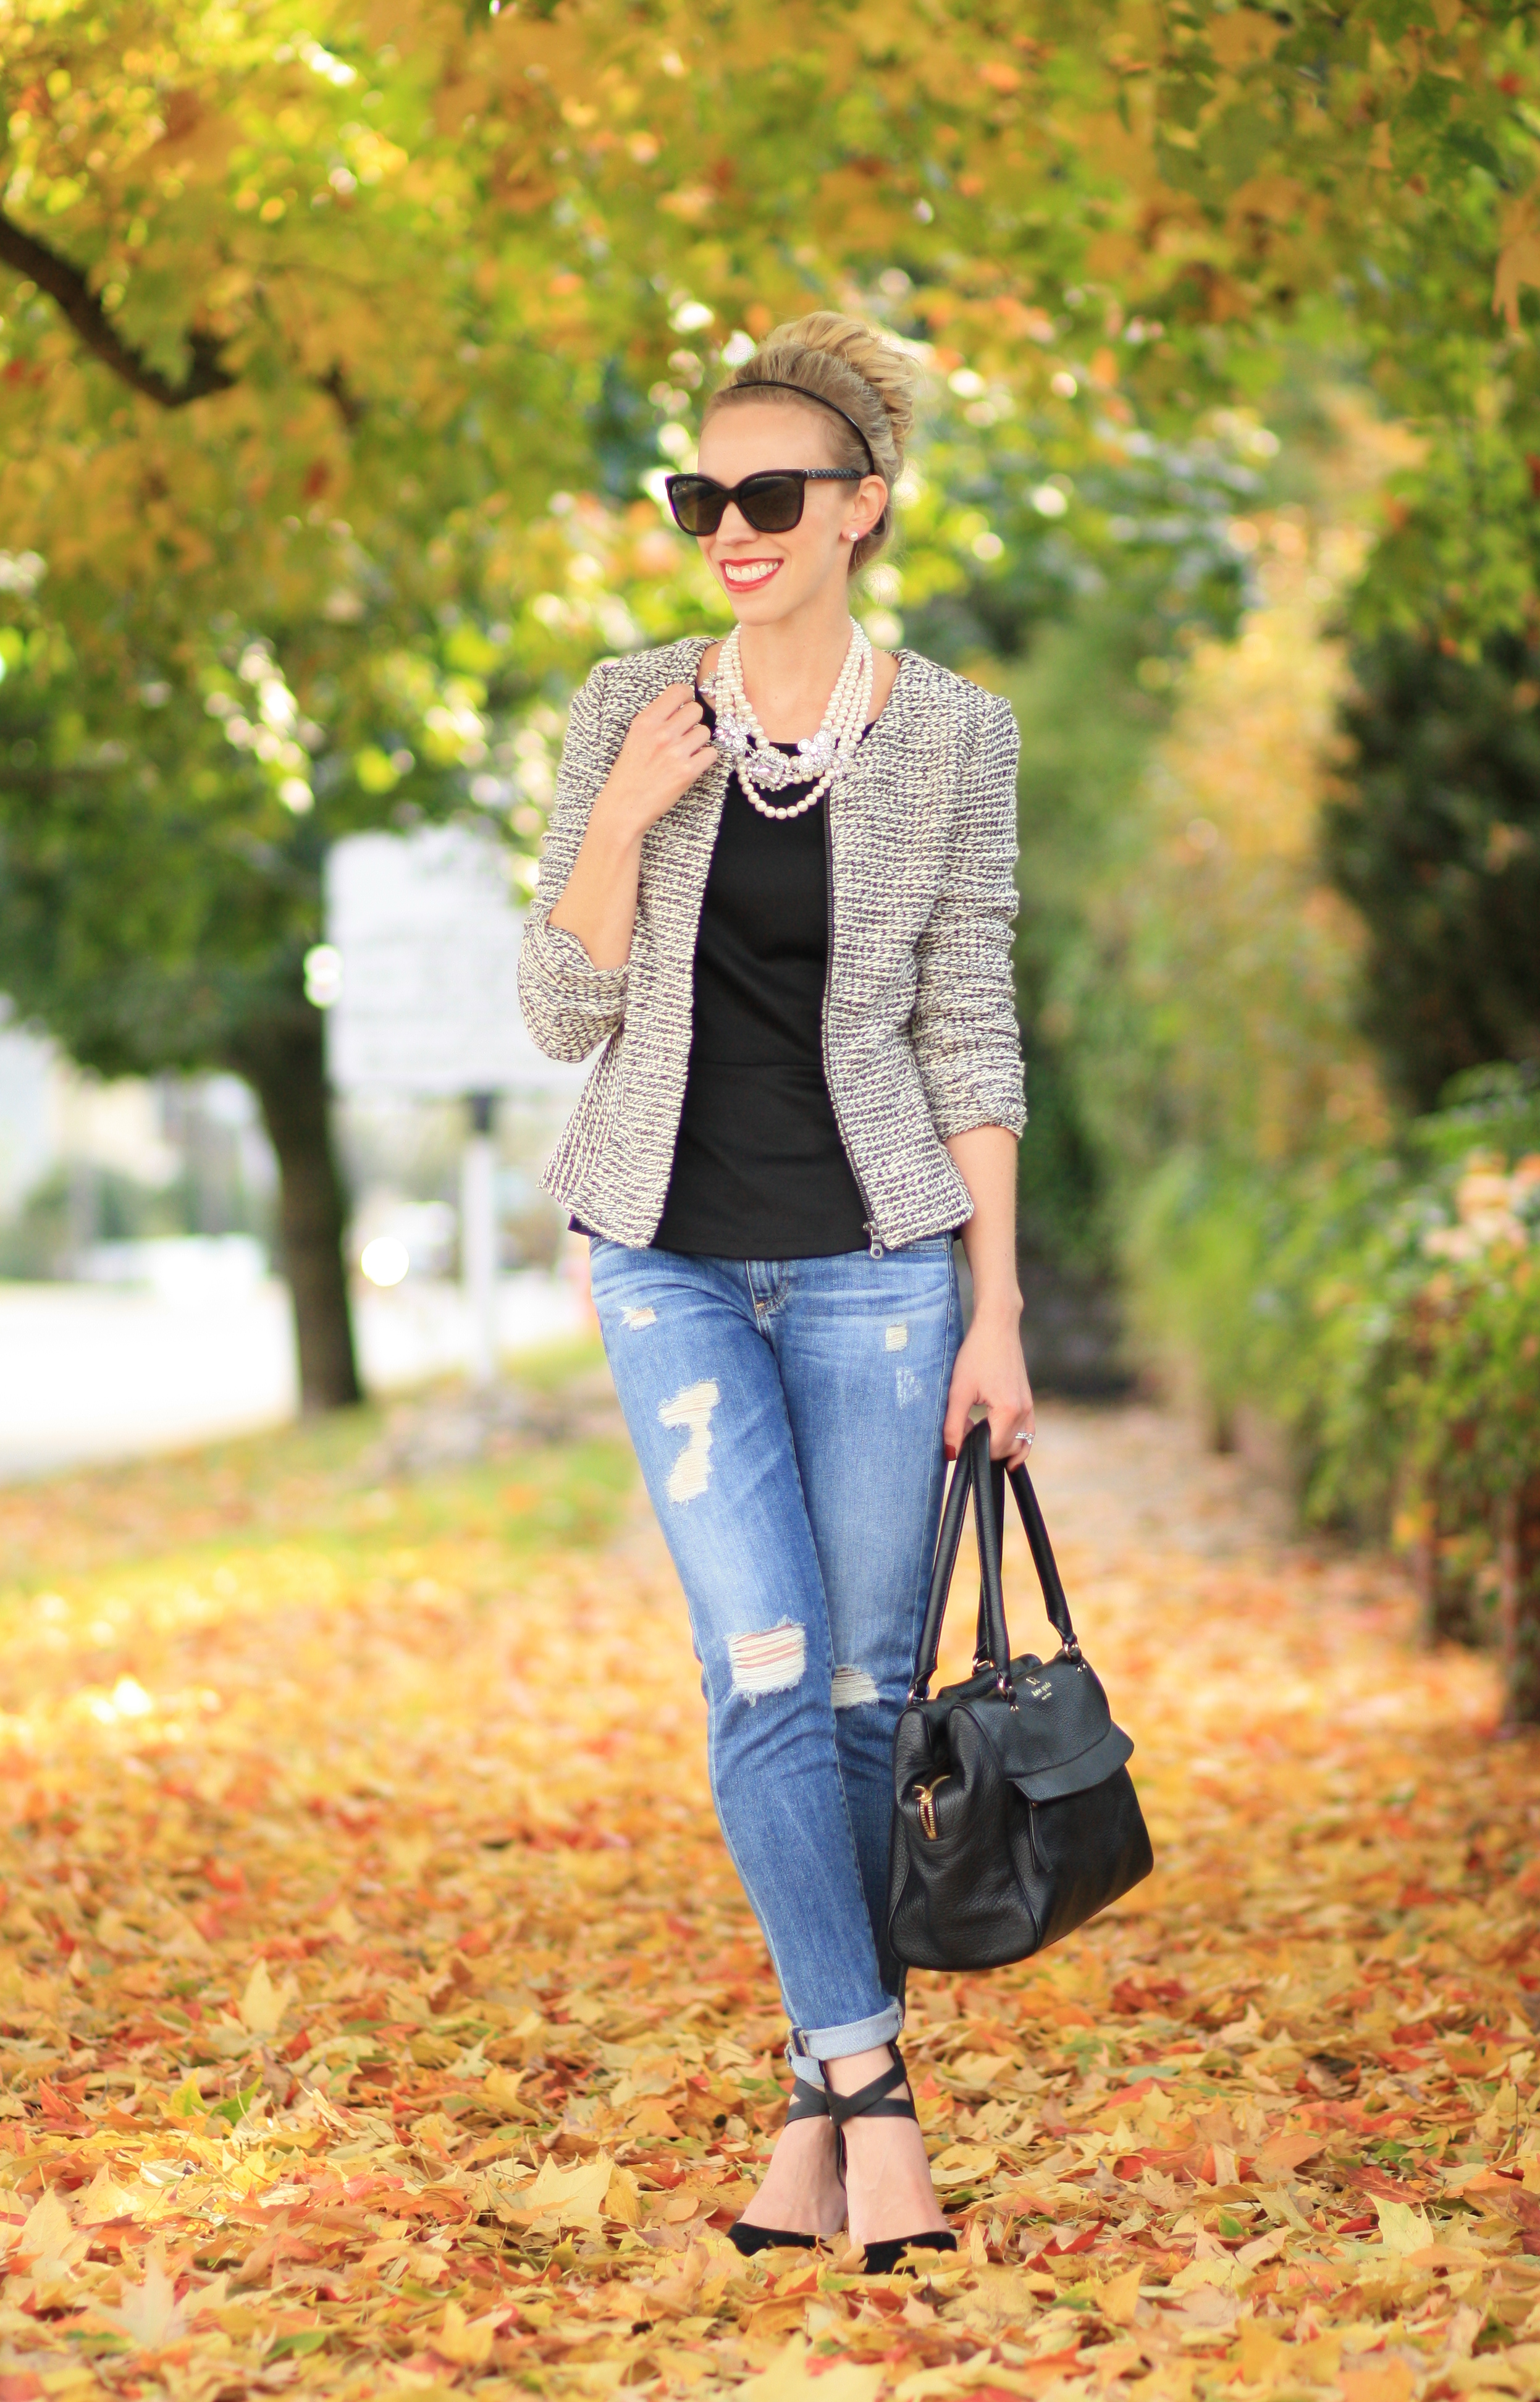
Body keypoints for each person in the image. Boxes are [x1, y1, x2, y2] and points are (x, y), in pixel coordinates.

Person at [518, 312, 1034, 2270]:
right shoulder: (627, 703)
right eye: (699, 496)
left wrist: (998, 1311)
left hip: (881, 1271)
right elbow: (564, 1004)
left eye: (767, 494)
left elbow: (969, 1025)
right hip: (666, 1261)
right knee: (757, 1669)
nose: (727, 526)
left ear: (861, 511)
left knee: (859, 1690)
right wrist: (631, 820)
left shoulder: (960, 733)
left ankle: (811, 2117)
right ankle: (876, 2094)